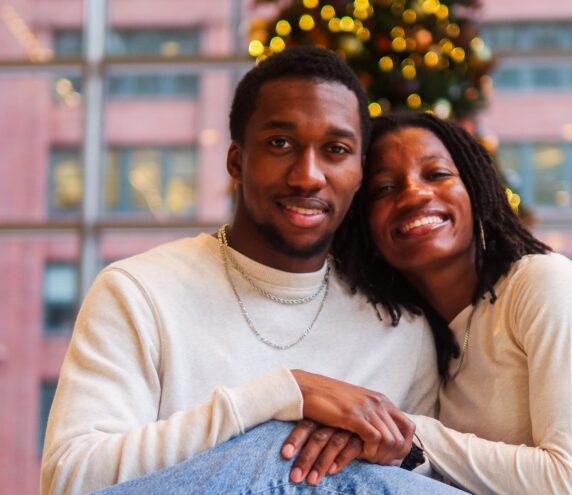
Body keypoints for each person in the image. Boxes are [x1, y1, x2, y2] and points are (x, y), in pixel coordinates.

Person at [40, 48, 465, 495]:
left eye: (336, 150)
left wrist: (391, 456)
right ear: (236, 162)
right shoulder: (139, 291)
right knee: (267, 449)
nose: (307, 176)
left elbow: (421, 479)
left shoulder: (400, 327)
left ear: (359, 173)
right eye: (280, 144)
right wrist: (279, 397)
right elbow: (70, 478)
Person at [314, 111, 572, 493]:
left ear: (474, 188)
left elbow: (568, 484)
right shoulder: (421, 340)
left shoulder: (544, 283)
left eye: (436, 174)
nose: (414, 194)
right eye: (384, 189)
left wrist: (404, 429)